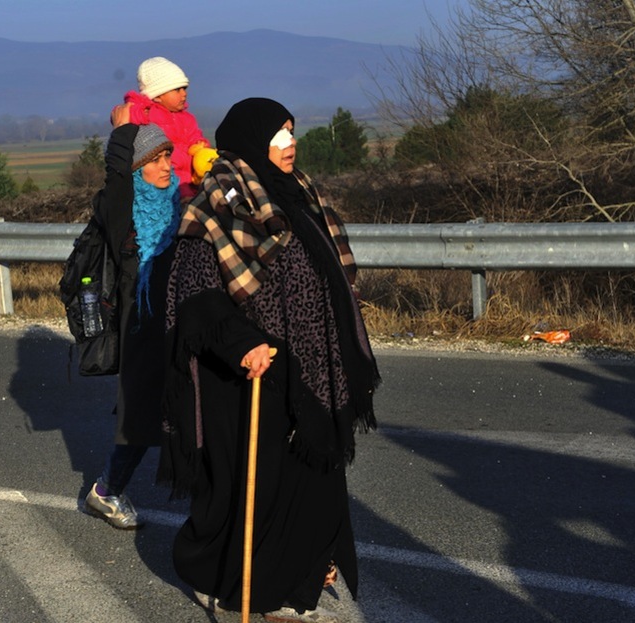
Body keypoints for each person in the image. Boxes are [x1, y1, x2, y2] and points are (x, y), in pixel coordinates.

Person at [159, 98, 380, 623]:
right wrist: (242, 344)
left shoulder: (299, 193)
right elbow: (193, 292)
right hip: (249, 373)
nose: (290, 143)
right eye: (279, 135)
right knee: (259, 483)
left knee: (312, 478)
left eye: (292, 132)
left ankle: (300, 576)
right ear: (253, 139)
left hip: (308, 369)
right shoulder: (218, 202)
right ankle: (234, 583)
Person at [83, 111, 181, 529]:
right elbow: (115, 175)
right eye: (155, 160)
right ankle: (106, 492)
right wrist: (125, 130)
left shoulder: (177, 207)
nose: (165, 167)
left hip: (176, 329)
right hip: (140, 334)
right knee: (141, 421)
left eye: (168, 157)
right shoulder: (121, 214)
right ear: (135, 168)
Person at [111, 56, 214, 199]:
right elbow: (126, 113)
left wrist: (200, 148)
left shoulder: (187, 118)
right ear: (157, 95)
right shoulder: (147, 114)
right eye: (177, 90)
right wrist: (136, 105)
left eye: (185, 88)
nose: (184, 93)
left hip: (192, 179)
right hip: (165, 179)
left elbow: (196, 137)